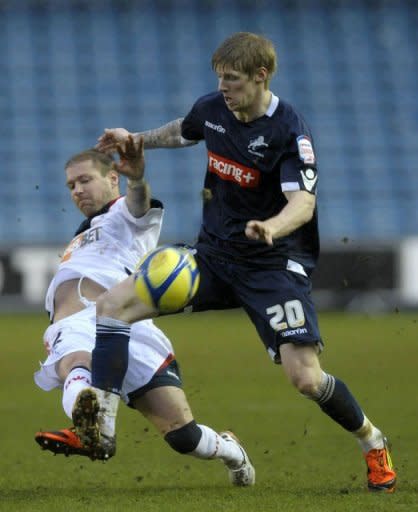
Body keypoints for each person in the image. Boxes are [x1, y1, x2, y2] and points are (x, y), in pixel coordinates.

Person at [90, 32, 396, 492]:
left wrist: (273, 226)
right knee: (112, 306)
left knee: (306, 379)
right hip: (213, 256)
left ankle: (372, 442)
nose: (223, 87)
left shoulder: (289, 131)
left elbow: (304, 204)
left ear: (261, 76)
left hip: (272, 267)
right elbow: (183, 129)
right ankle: (100, 425)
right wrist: (137, 140)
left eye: (232, 79)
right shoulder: (215, 107)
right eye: (220, 78)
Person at [33, 137, 255, 487]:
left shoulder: (122, 213)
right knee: (75, 359)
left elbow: (138, 205)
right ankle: (93, 429)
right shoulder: (83, 234)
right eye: (71, 185)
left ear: (112, 180)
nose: (77, 190)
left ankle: (231, 450)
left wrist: (137, 179)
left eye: (85, 180)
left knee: (185, 437)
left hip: (127, 325)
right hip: (75, 325)